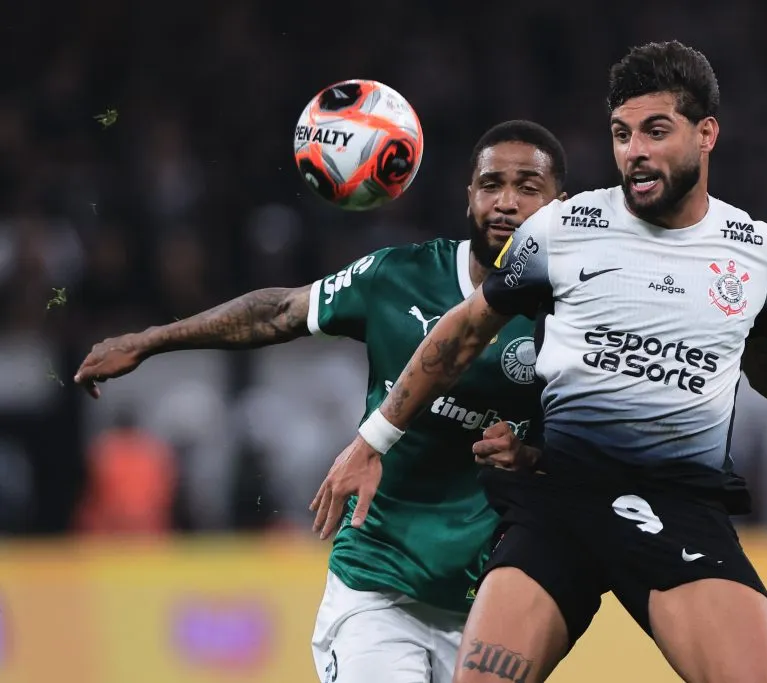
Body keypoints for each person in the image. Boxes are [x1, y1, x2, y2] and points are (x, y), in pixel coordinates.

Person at [310, 42, 767, 683]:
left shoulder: (756, 250)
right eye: (621, 134)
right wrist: (374, 440)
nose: (634, 152)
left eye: (655, 131)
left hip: (675, 506)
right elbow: (461, 333)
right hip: (560, 502)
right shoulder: (564, 228)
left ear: (707, 133)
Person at [73, 119, 568, 683]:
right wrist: (150, 340)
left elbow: (601, 452)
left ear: (561, 204)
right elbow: (282, 310)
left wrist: (529, 456)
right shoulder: (399, 278)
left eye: (528, 187)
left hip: (493, 605)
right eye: (491, 185)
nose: (506, 203)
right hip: (377, 587)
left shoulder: (578, 313)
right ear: (468, 197)